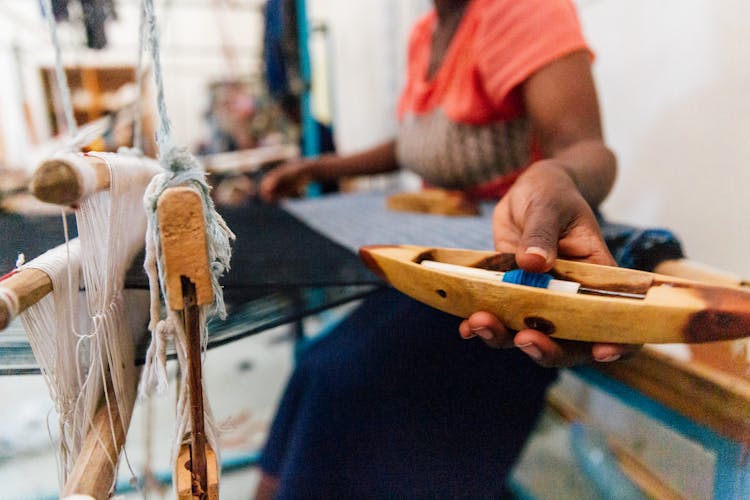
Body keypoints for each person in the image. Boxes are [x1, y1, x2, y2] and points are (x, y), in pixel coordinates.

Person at [256, 0, 638, 497]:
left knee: (342, 386)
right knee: (316, 369)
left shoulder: (523, 9)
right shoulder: (427, 32)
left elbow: (586, 146)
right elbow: (415, 143)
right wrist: (321, 169)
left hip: (516, 256)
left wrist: (554, 176)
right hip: (450, 254)